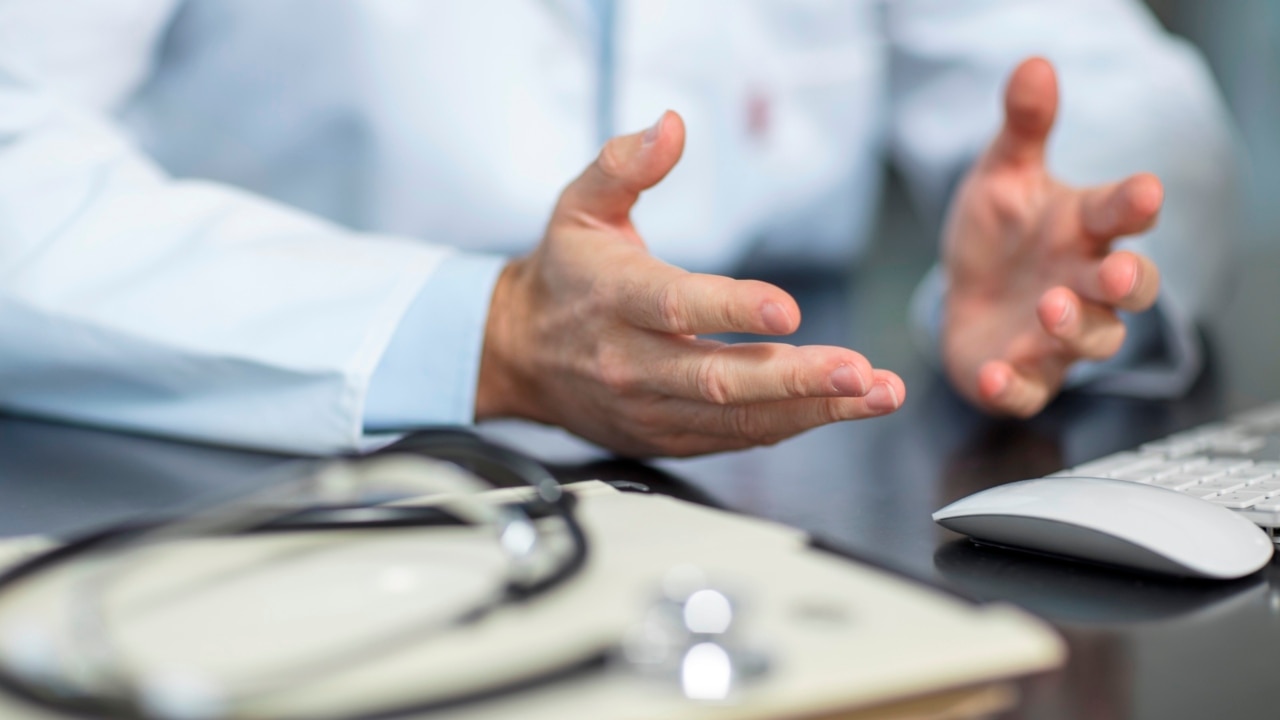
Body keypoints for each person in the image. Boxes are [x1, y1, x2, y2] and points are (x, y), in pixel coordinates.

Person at [0, 1, 1238, 455]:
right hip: (264, 444)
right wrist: (483, 332)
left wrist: (1070, 276)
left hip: (780, 474)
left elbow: (1105, 81)